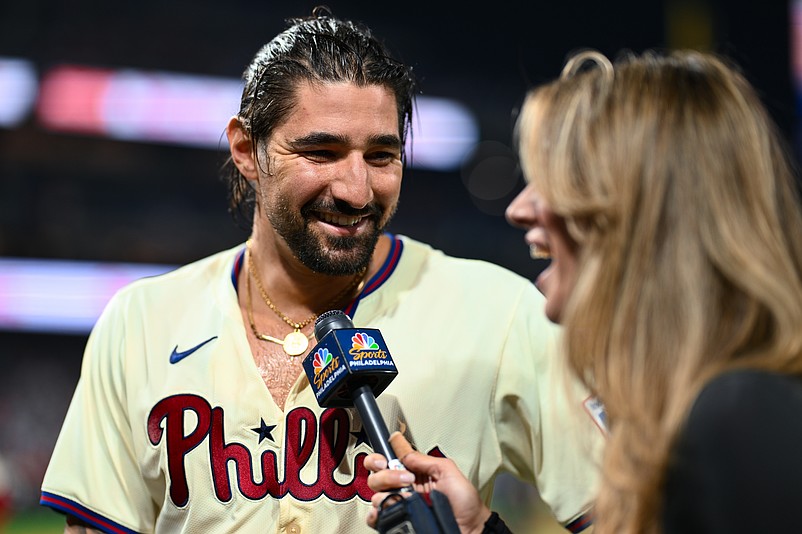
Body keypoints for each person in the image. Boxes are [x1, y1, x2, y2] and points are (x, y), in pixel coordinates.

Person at [38, 8, 604, 533]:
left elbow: (635, 517)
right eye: (321, 152)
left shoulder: (500, 312)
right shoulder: (140, 322)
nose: (357, 190)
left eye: (381, 156)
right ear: (246, 150)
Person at [365, 48, 802, 533]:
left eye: (557, 180)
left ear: (643, 210)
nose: (519, 209)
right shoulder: (707, 402)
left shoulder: (741, 414)